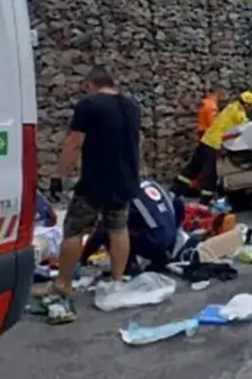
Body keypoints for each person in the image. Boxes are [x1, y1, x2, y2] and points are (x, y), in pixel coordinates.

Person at [47, 66, 141, 323]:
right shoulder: (131, 106)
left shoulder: (89, 105)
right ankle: (117, 280)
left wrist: (59, 175)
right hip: (126, 180)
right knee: (118, 229)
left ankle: (63, 284)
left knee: (74, 230)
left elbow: (74, 143)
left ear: (90, 84)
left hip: (96, 181)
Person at [80, 179, 184, 274]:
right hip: (171, 238)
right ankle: (161, 258)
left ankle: (126, 267)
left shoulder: (121, 194)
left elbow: (101, 231)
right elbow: (178, 203)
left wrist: (83, 257)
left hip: (155, 241)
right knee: (143, 223)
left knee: (113, 229)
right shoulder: (151, 184)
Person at [172, 91, 252, 204]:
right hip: (214, 144)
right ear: (246, 104)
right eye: (250, 106)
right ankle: (204, 202)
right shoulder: (238, 112)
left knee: (193, 168)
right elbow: (246, 127)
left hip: (206, 140)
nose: (250, 109)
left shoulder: (230, 107)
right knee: (210, 174)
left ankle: (174, 192)